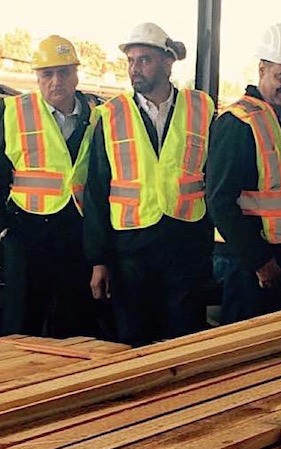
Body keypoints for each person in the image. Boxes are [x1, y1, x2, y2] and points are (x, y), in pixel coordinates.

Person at [84, 23, 214, 346]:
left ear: (168, 62)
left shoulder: (201, 109)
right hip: (131, 250)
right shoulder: (111, 115)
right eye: (131, 60)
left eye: (144, 60)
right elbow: (96, 190)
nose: (134, 68)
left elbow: (213, 178)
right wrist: (99, 260)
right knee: (134, 339)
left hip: (184, 244)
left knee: (184, 339)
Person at [0, 35, 103, 338]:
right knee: (21, 327)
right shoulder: (17, 113)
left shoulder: (98, 118)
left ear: (76, 74)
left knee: (75, 326)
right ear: (37, 77)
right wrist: (3, 232)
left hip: (76, 235)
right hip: (26, 234)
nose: (56, 81)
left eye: (64, 72)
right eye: (47, 74)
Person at [206, 23, 281, 324]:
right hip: (248, 263)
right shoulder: (238, 121)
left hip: (280, 262)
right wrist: (260, 261)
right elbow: (220, 201)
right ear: (262, 69)